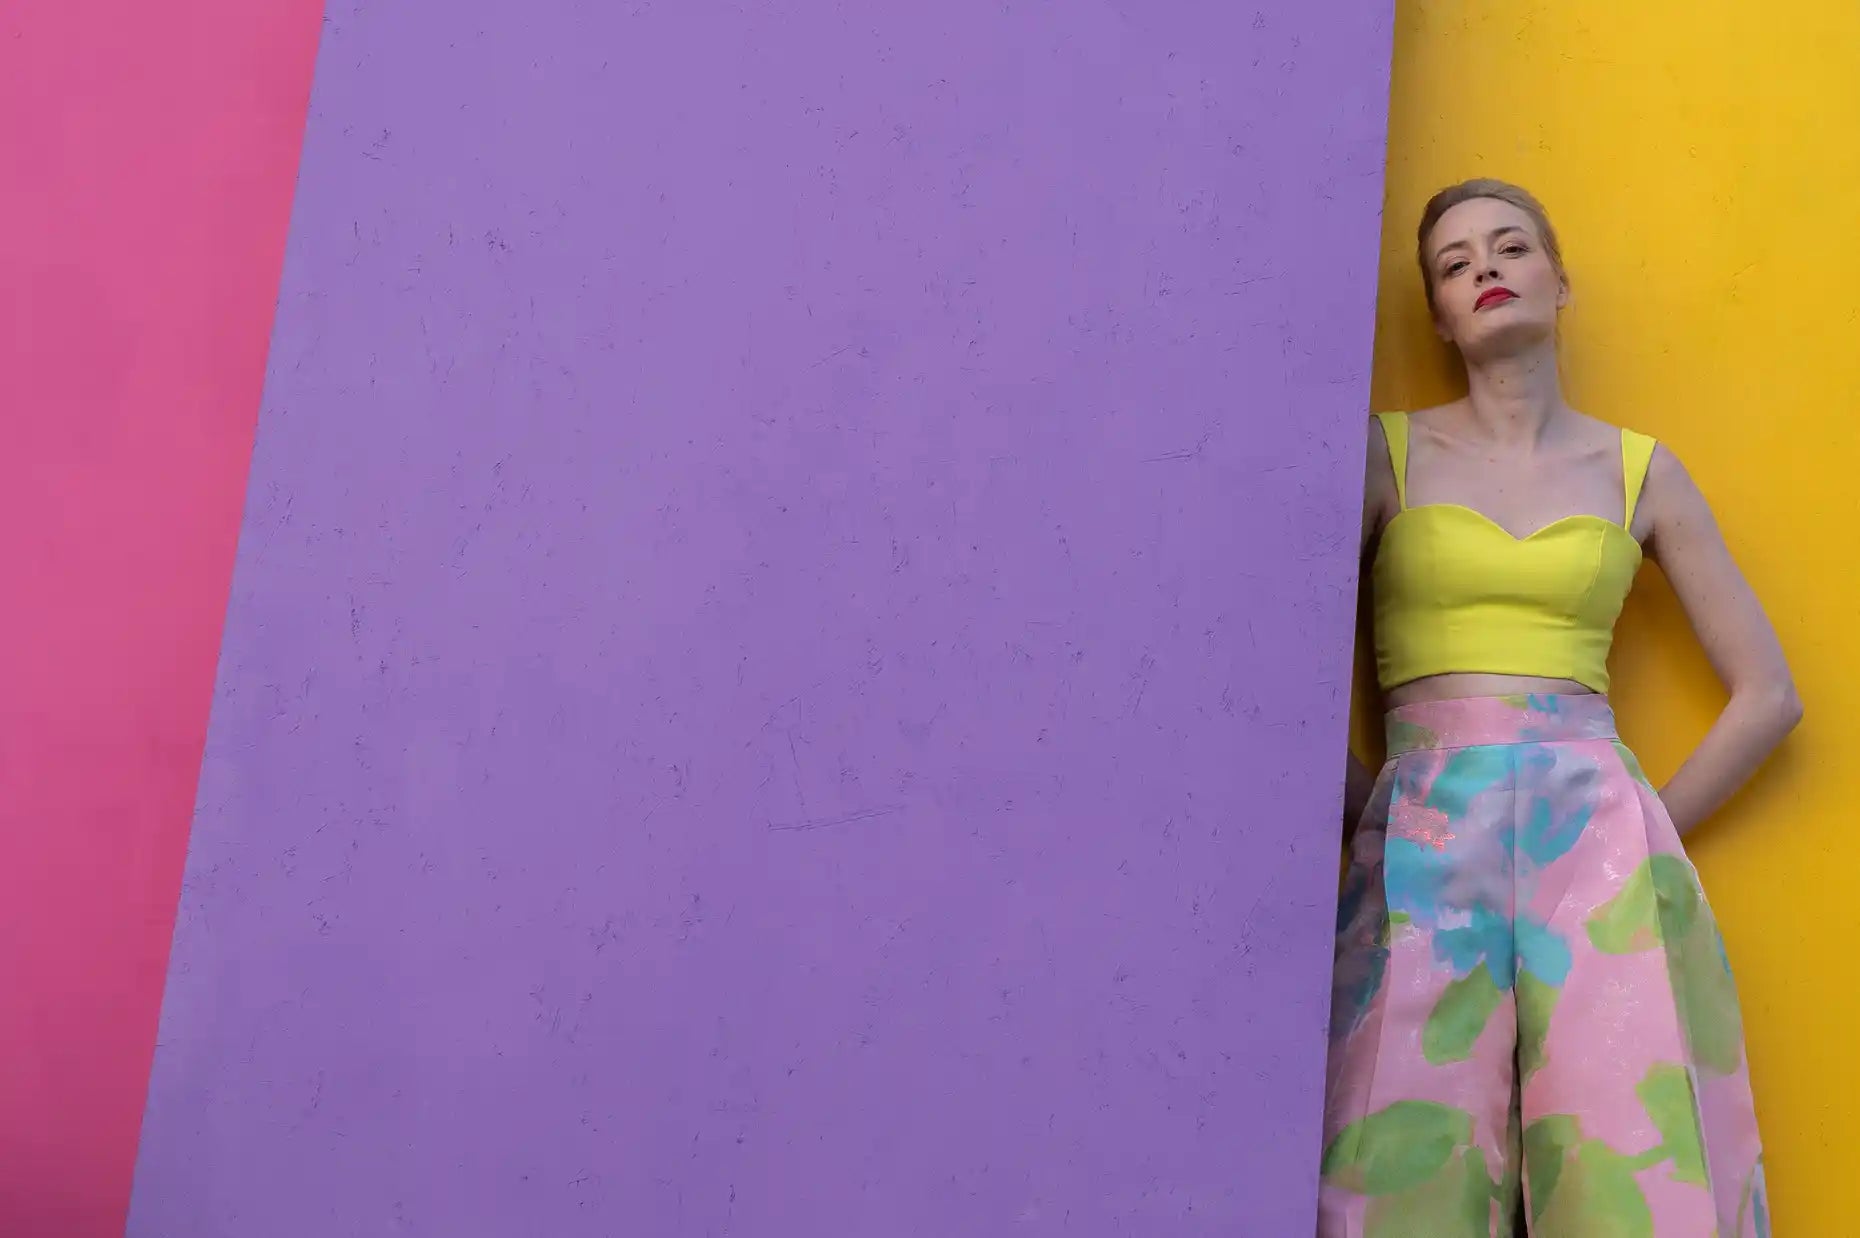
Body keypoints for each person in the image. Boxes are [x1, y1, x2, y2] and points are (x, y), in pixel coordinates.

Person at [1318, 179, 1798, 1236]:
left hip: (1599, 847)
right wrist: (1373, 810)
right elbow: (1271, 675)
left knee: (1631, 1166)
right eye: (1455, 264)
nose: (1485, 269)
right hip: (1425, 841)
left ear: (1560, 279)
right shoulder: (1383, 452)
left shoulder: (1641, 470)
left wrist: (1642, 827)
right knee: (1397, 1163)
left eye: (1510, 246)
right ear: (1440, 317)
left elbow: (1770, 694)